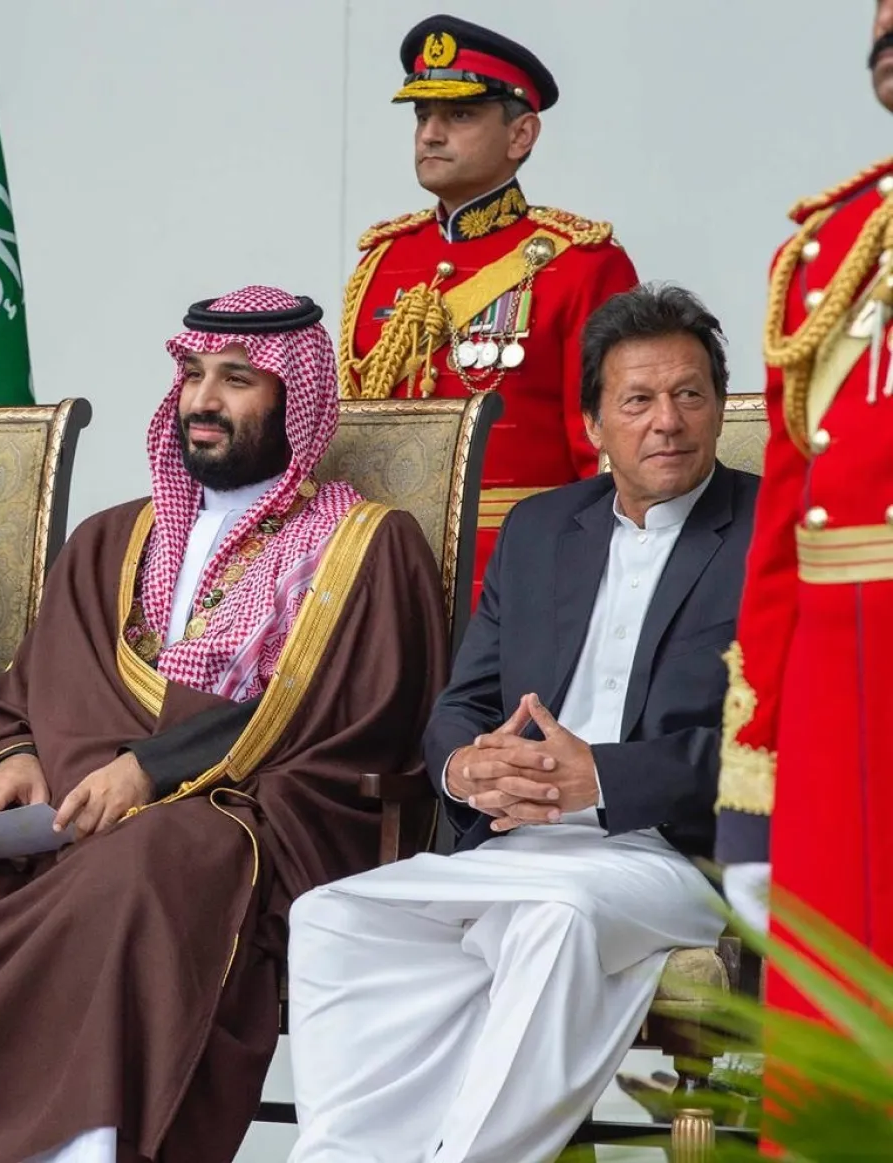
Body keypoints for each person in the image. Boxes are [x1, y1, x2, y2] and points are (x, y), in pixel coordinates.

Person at [0, 287, 449, 1163]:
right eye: (190, 374)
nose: (203, 399)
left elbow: (354, 718)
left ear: (293, 396)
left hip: (229, 819)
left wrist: (149, 771)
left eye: (236, 379)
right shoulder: (115, 539)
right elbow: (24, 690)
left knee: (134, 871)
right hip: (54, 818)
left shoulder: (365, 546)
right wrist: (12, 755)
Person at [289, 284, 759, 1162]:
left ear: (717, 407)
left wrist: (608, 779)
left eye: (690, 395)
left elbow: (787, 741)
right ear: (593, 424)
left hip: (671, 852)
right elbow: (464, 703)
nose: (668, 420)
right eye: (639, 400)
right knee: (328, 916)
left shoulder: (768, 534)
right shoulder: (543, 529)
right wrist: (465, 768)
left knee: (553, 917)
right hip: (515, 845)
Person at [715, 0, 893, 1005]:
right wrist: (751, 807)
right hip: (833, 692)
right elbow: (784, 530)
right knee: (834, 1037)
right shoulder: (834, 244)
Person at [339, 13, 638, 606]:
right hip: (385, 580)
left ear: (521, 135)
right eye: (423, 115)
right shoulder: (381, 260)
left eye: (460, 114)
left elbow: (609, 453)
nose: (430, 133)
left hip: (518, 579)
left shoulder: (580, 262)